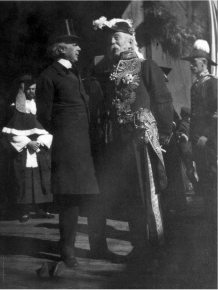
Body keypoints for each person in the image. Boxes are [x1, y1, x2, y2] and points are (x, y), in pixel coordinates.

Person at [93, 17, 174, 267]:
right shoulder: (115, 74)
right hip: (123, 145)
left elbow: (162, 101)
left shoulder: (146, 66)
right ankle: (140, 246)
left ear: (130, 40)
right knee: (131, 196)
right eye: (110, 41)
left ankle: (156, 248)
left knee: (148, 195)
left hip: (144, 141)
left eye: (116, 38)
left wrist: (161, 136)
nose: (112, 44)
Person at [36, 19, 115, 269]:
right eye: (74, 44)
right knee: (70, 201)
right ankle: (67, 250)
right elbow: (45, 115)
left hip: (86, 147)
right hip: (68, 148)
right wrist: (66, 134)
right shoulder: (49, 76)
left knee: (90, 196)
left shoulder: (74, 72)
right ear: (61, 48)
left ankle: (99, 247)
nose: (79, 48)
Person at [2, 75, 54, 222]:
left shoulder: (37, 107)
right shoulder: (14, 109)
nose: (32, 92)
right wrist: (27, 142)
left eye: (34, 89)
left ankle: (41, 209)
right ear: (22, 90)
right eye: (29, 89)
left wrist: (41, 141)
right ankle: (24, 211)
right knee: (23, 179)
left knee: (40, 177)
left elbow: (45, 129)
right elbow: (9, 133)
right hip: (23, 150)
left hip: (38, 148)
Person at [181, 39, 217, 220]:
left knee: (211, 175)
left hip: (208, 140)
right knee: (201, 174)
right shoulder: (196, 85)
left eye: (194, 63)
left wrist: (207, 135)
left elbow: (216, 112)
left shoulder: (212, 83)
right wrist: (191, 136)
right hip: (197, 139)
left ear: (204, 63)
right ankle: (208, 211)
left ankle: (214, 213)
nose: (191, 67)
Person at [175, 107, 198, 191]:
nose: (190, 118)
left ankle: (196, 185)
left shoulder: (190, 124)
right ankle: (196, 186)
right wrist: (180, 134)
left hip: (191, 149)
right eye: (188, 117)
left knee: (192, 168)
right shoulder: (181, 124)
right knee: (189, 169)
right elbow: (176, 133)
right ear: (184, 116)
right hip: (185, 149)